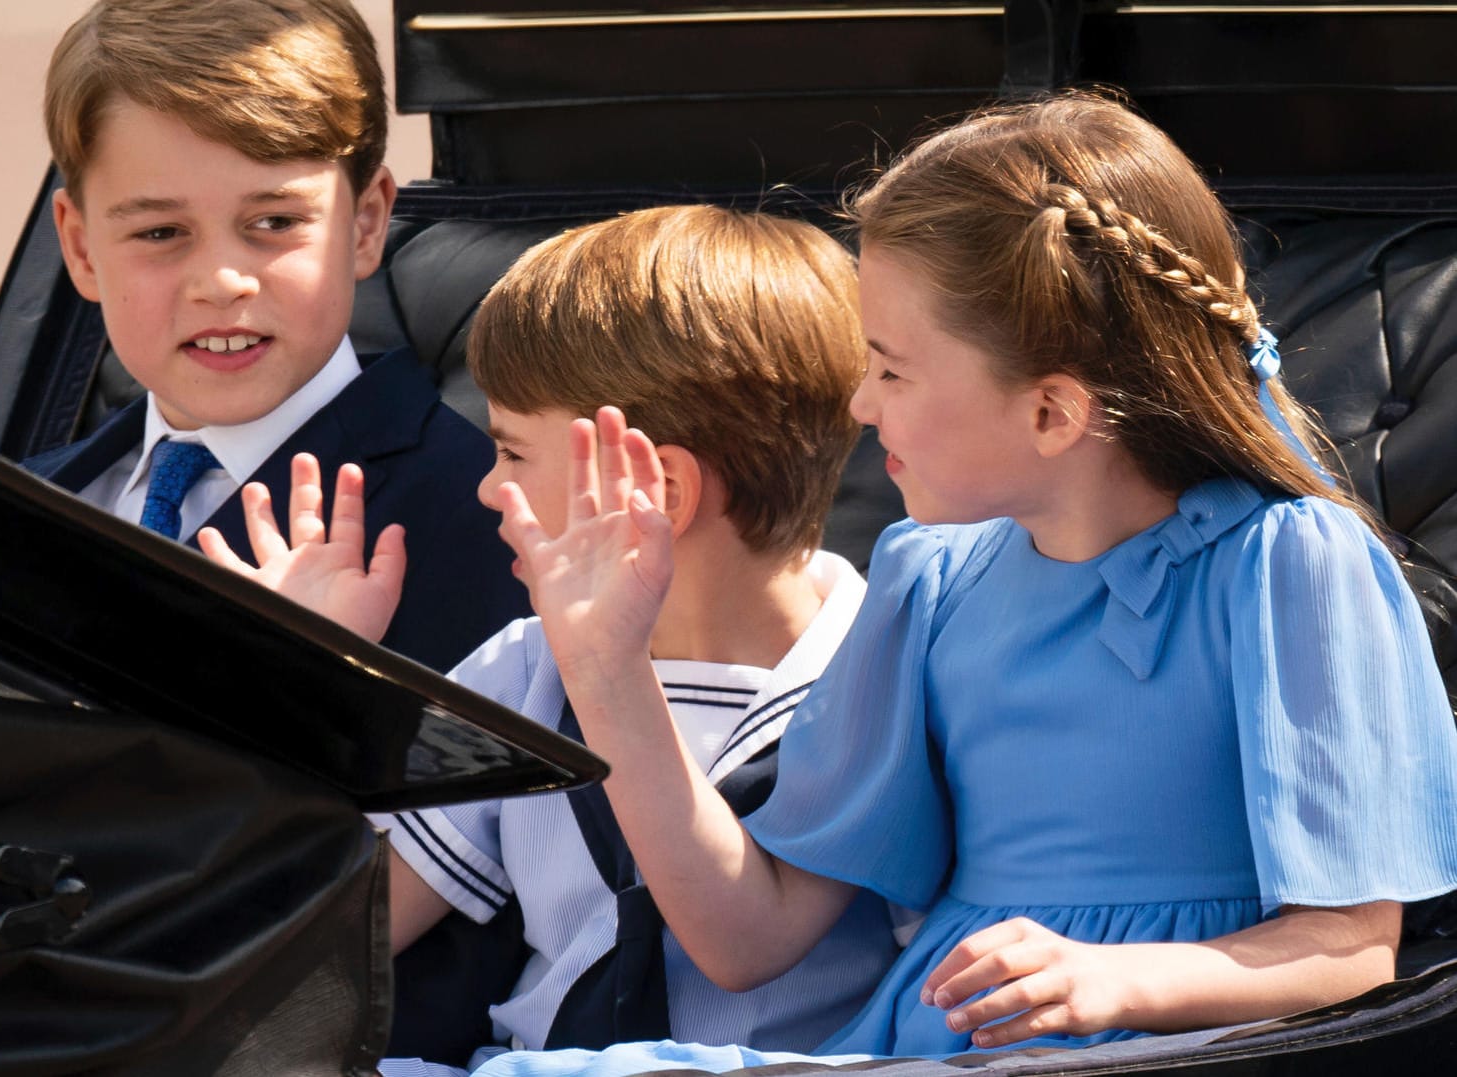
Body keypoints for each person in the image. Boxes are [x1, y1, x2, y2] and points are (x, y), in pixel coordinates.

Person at [449, 92, 1457, 1076]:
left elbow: (1351, 948)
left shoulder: (1291, 563)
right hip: (930, 1048)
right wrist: (606, 667)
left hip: (1171, 1053)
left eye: (891, 371)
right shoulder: (926, 581)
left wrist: (1116, 982)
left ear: (1052, 414)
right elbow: (746, 938)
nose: (859, 404)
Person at [202, 206, 907, 1067]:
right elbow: (325, 930)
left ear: (660, 492)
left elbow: (741, 950)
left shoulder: (880, 672)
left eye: (513, 454)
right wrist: (307, 686)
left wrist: (605, 669)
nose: (489, 488)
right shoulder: (521, 671)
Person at [22, 0, 527, 672]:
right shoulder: (9, 512)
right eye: (160, 233)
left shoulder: (493, 526)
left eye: (274, 222)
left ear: (366, 224)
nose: (222, 281)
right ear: (81, 250)